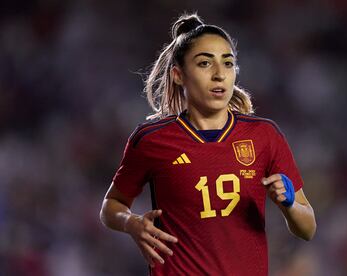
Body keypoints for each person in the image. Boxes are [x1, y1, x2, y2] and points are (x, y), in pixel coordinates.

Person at [100, 13, 316, 275]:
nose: (219, 75)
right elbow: (111, 206)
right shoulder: (151, 140)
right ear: (178, 75)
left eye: (228, 64)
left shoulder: (265, 136)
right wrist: (131, 223)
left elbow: (307, 228)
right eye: (205, 63)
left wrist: (289, 204)